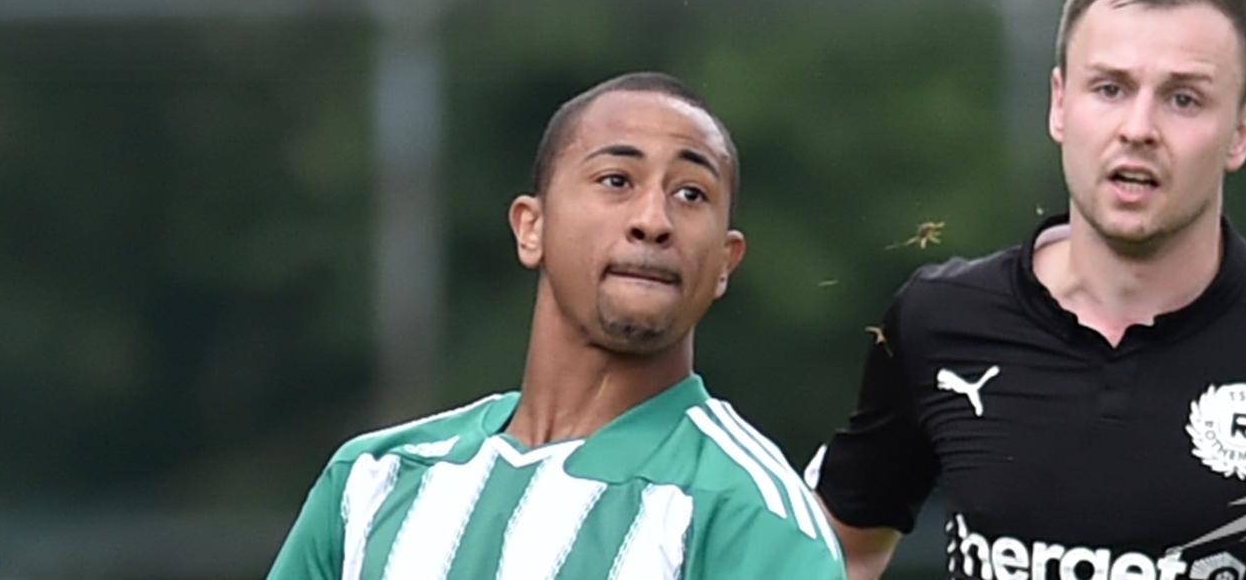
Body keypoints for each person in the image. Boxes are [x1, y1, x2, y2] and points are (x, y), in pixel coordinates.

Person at [809, 0, 1246, 580]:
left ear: (1242, 131)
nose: (1139, 127)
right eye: (1110, 89)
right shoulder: (940, 319)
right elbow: (842, 556)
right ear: (1059, 104)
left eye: (1184, 99)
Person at [268, 72, 842, 580]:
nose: (653, 221)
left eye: (691, 194)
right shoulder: (374, 481)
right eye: (616, 180)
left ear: (724, 264)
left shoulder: (749, 513)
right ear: (531, 228)